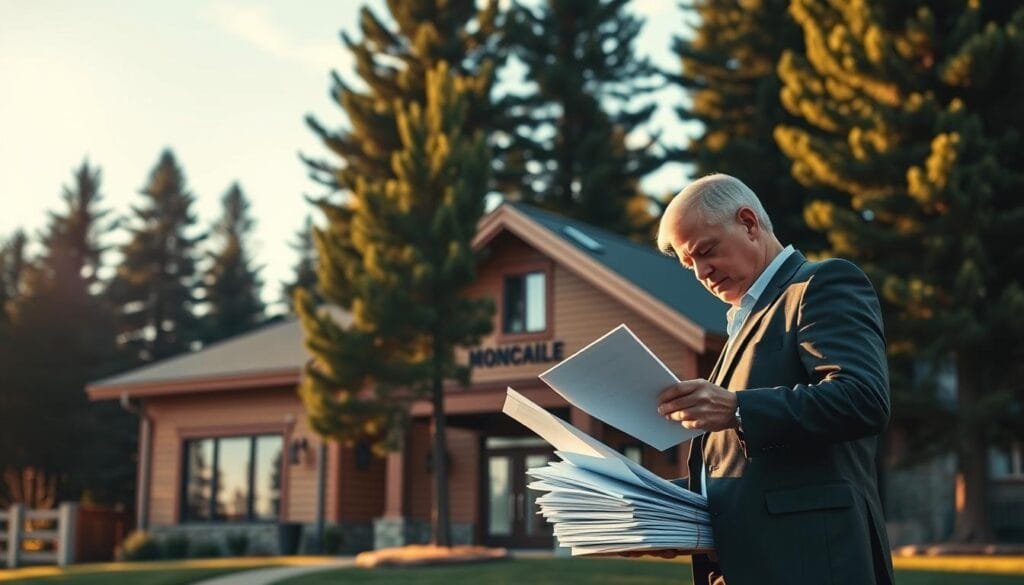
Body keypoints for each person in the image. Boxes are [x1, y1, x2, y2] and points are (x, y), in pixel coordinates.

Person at [651, 174, 894, 585]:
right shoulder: (742, 322)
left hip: (814, 566)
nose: (700, 273)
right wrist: (658, 509)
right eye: (688, 263)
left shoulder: (822, 284)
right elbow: (756, 468)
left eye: (706, 252)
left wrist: (738, 407)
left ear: (748, 222)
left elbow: (863, 398)